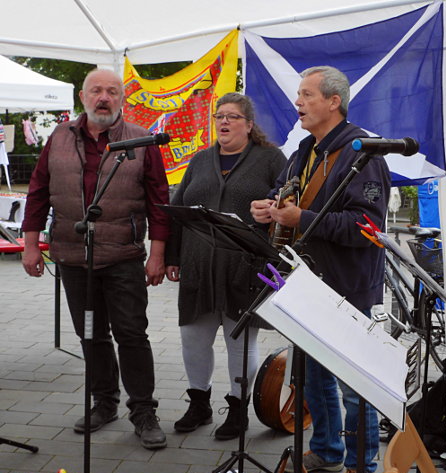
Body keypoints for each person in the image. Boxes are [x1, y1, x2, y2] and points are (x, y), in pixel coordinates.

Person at [251, 66, 390, 473]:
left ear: (334, 101)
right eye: (298, 95)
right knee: (310, 376)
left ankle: (362, 466)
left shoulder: (363, 152)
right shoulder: (303, 151)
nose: (298, 102)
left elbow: (366, 226)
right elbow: (286, 194)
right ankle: (327, 449)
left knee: (353, 383)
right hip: (304, 282)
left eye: (307, 95)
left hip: (347, 286)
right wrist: (271, 208)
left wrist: (301, 219)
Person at [21, 68, 170, 450]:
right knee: (90, 334)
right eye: (96, 91)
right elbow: (38, 192)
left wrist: (158, 253)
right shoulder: (58, 137)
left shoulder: (141, 140)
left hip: (123, 255)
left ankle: (143, 411)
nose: (104, 97)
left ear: (122, 99)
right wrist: (31, 243)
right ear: (83, 97)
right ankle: (105, 403)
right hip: (72, 256)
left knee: (132, 335)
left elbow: (159, 200)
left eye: (112, 91)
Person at [165, 93, 286, 439]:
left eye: (233, 116)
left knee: (241, 342)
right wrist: (172, 255)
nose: (224, 122)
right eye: (220, 116)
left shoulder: (271, 159)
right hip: (198, 267)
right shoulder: (200, 160)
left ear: (249, 125)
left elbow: (287, 205)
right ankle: (199, 403)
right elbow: (178, 209)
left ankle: (237, 408)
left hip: (245, 271)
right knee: (193, 337)